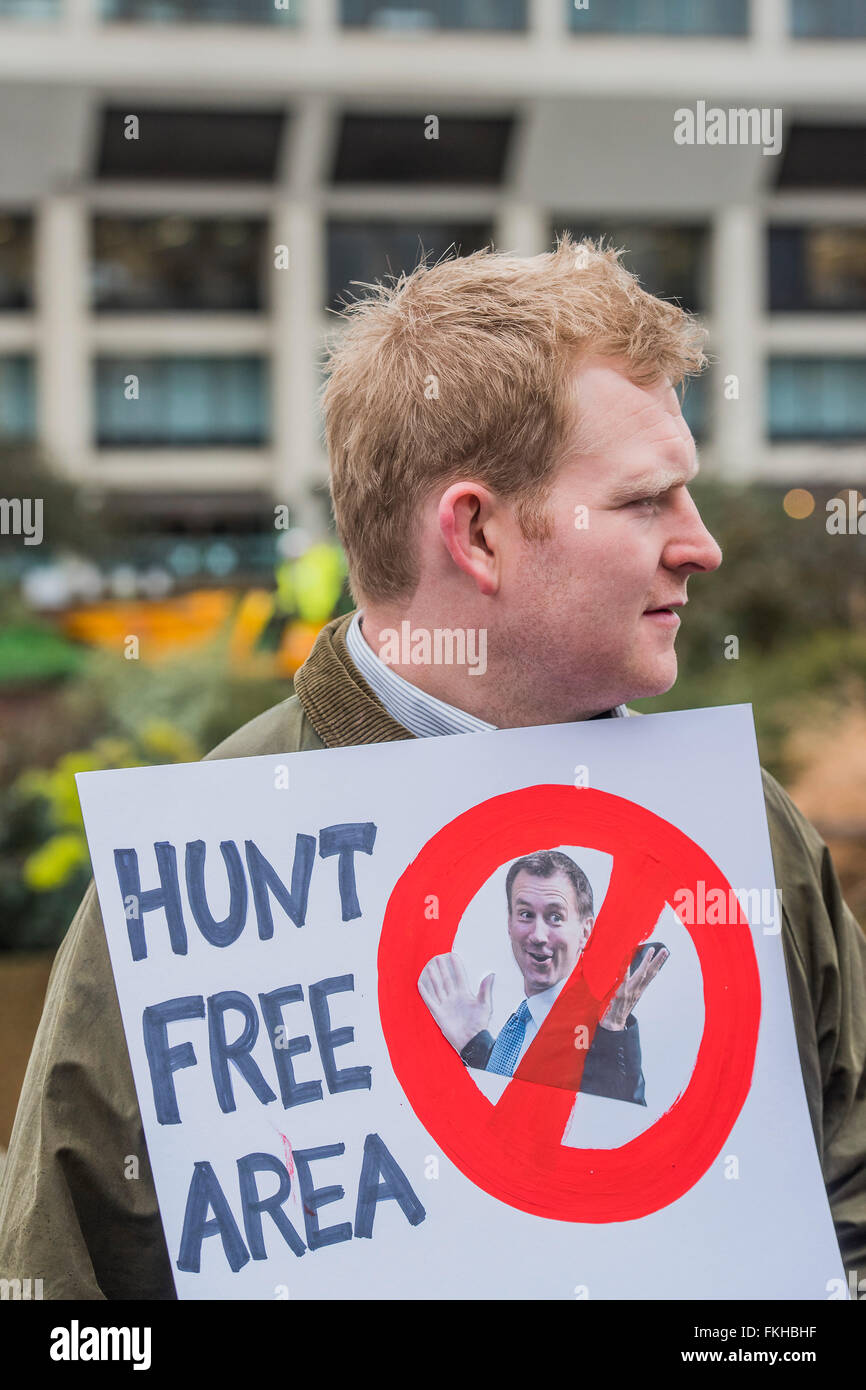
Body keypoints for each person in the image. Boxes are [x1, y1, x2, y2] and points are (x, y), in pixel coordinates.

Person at [2, 235, 865, 1298]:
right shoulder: (196, 882)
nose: (700, 543)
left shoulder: (743, 831)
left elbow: (848, 1181)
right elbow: (66, 1290)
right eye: (646, 501)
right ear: (477, 535)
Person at [418, 849, 668, 1104]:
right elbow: (510, 1111)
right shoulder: (520, 1024)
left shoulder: (599, 1035)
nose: (538, 935)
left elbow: (615, 1127)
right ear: (509, 922)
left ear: (585, 932)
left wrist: (613, 1033)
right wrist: (473, 1041)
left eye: (555, 917)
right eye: (526, 914)